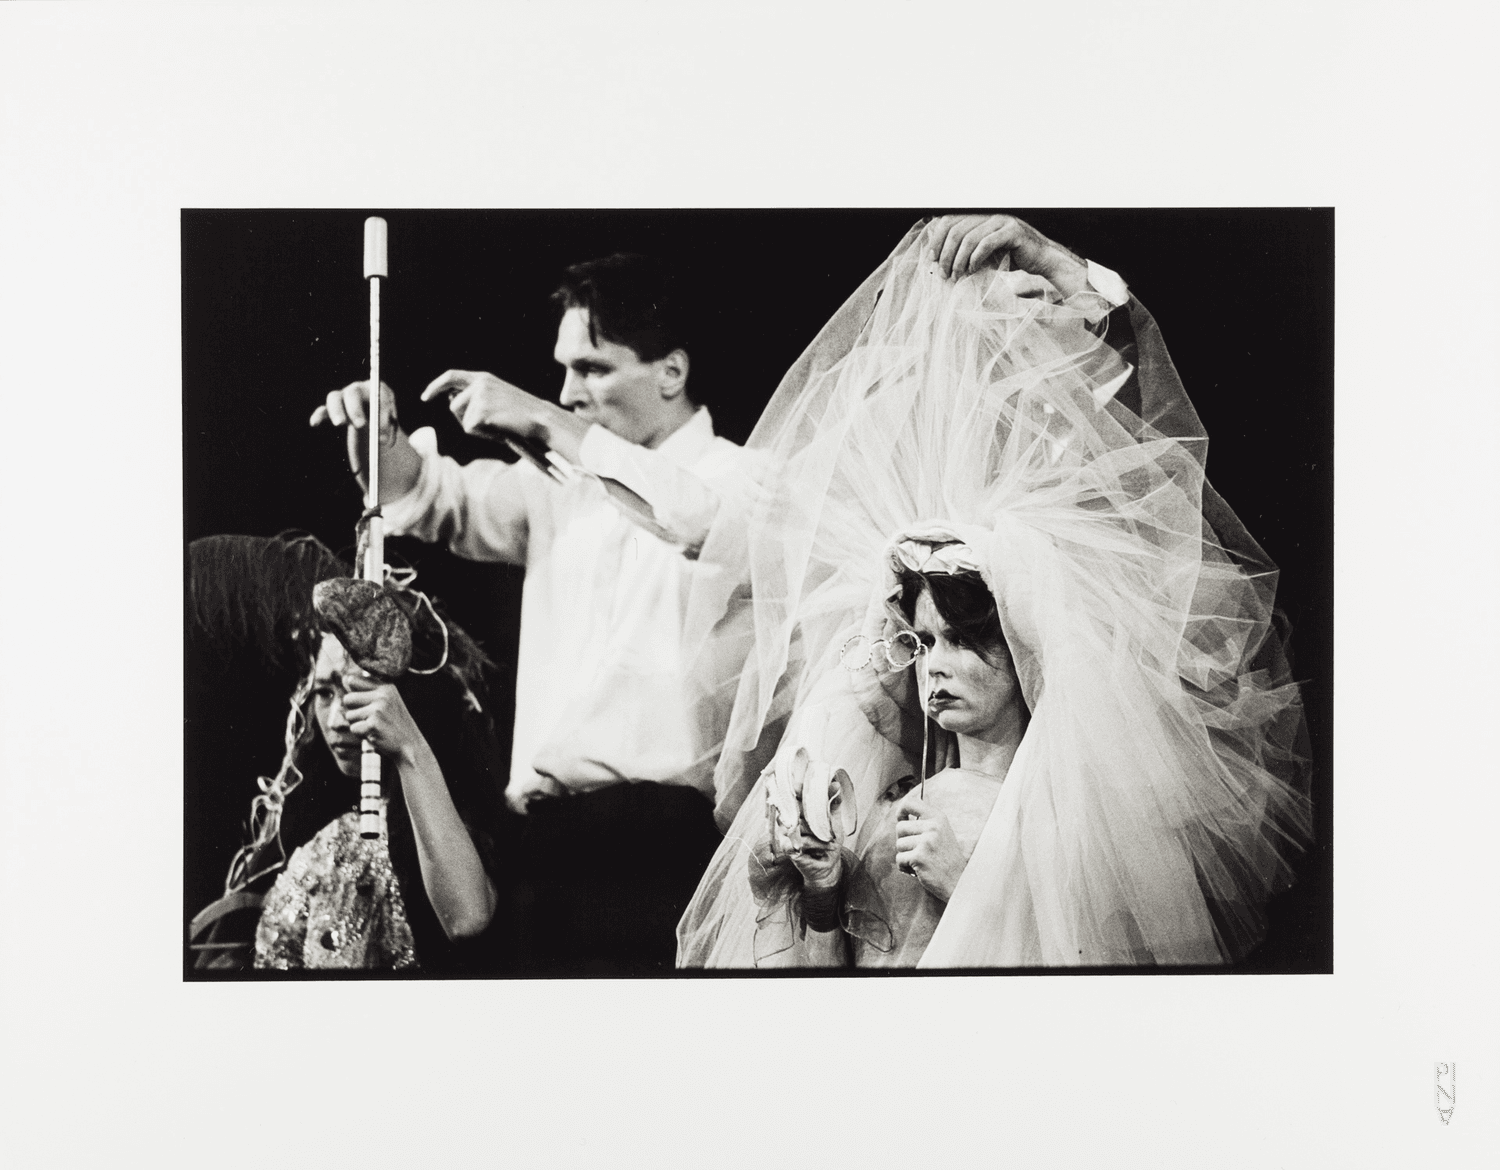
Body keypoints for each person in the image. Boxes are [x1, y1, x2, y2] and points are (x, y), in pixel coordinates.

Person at [676, 216, 1313, 968]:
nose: (936, 666)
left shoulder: (1081, 813)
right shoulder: (884, 804)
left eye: (966, 642)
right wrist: (818, 897)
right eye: (923, 643)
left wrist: (991, 870)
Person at [310, 253, 751, 972]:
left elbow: (695, 519)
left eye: (593, 369)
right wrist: (377, 438)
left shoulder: (741, 478)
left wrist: (540, 419)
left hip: (664, 848)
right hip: (546, 846)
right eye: (562, 371)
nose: (569, 392)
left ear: (671, 372)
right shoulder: (556, 491)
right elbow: (431, 498)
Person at [185, 532, 512, 974]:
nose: (338, 717)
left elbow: (468, 920)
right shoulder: (304, 828)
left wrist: (409, 748)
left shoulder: (439, 818)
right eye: (323, 692)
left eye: (356, 692)